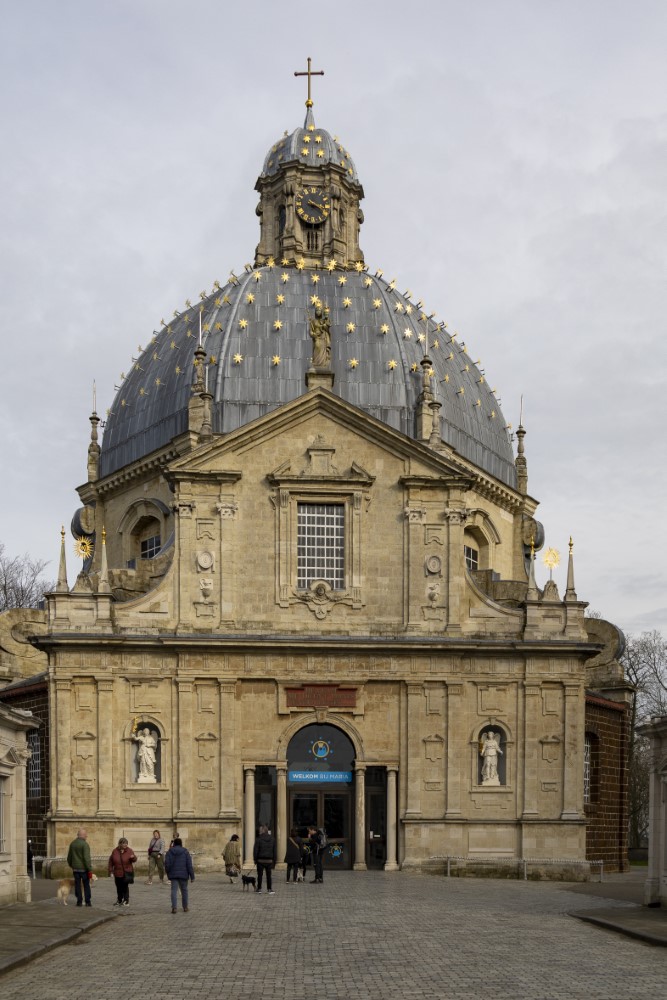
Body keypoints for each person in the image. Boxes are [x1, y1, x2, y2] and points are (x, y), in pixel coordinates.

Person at [165, 836, 195, 913]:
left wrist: (168, 873)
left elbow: (167, 864)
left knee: (173, 891)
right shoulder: (185, 852)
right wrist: (192, 876)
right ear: (181, 844)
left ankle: (174, 907)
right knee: (184, 890)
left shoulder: (169, 852)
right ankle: (185, 907)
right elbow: (189, 865)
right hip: (183, 874)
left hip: (173, 874)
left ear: (174, 844)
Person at [67, 827, 93, 907]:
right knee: (86, 885)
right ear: (83, 835)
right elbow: (86, 858)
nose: (87, 836)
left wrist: (72, 865)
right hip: (84, 869)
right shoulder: (85, 844)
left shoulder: (72, 844)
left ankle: (79, 901)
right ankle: (88, 902)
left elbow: (69, 857)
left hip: (75, 869)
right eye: (86, 835)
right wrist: (90, 868)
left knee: (77, 885)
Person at [108, 837, 137, 907]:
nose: (125, 845)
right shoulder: (115, 851)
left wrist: (133, 857)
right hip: (117, 873)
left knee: (125, 887)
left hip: (126, 872)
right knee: (118, 887)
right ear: (120, 844)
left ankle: (126, 901)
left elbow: (134, 860)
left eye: (126, 843)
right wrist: (110, 871)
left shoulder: (129, 850)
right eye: (124, 843)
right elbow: (111, 862)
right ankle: (119, 900)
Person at [253, 824, 276, 894]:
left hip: (260, 860)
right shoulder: (272, 839)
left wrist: (255, 860)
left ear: (261, 831)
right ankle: (269, 889)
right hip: (269, 860)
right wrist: (274, 860)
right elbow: (274, 851)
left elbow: (255, 850)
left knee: (260, 875)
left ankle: (259, 888)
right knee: (269, 875)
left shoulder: (258, 839)